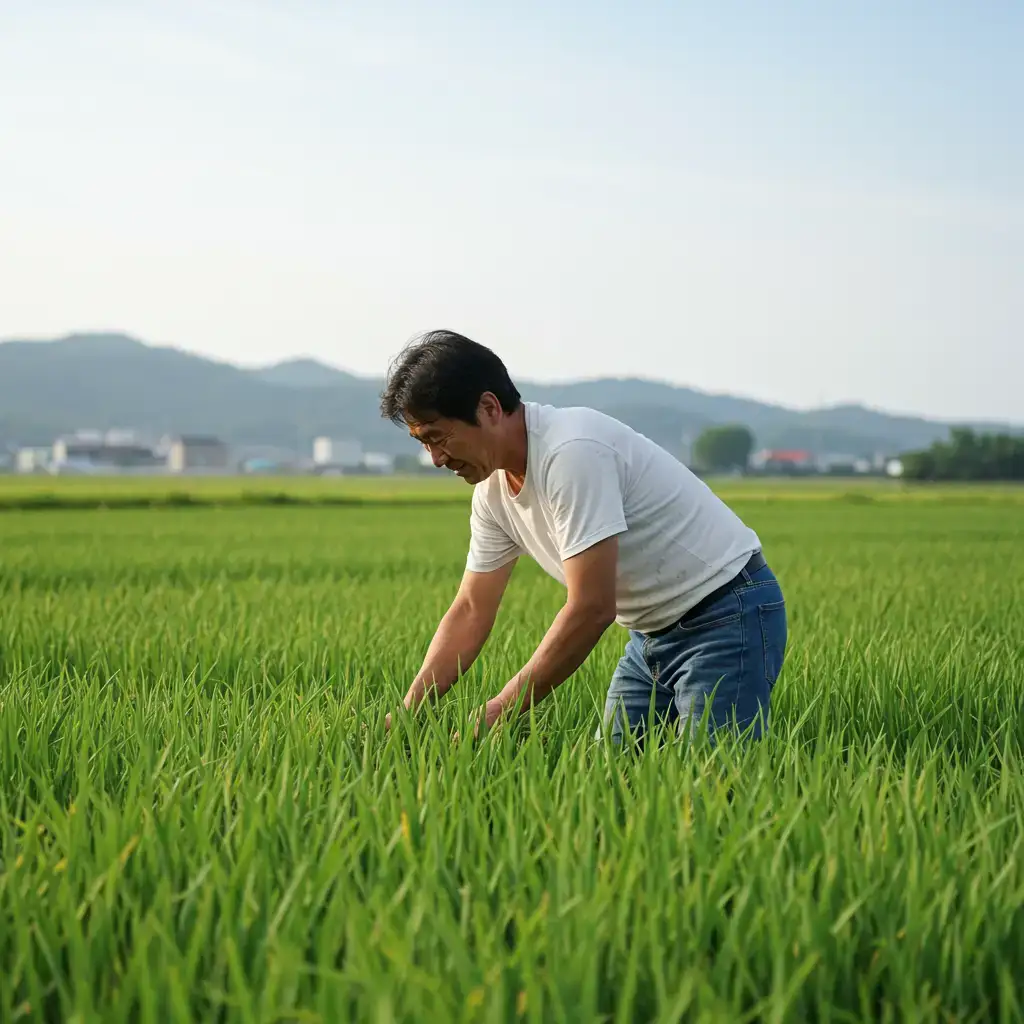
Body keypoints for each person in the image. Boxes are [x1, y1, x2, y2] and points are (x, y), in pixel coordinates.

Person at [379, 329, 788, 745]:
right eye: (423, 443)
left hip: (726, 613)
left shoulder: (572, 452)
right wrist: (409, 714)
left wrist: (498, 711)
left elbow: (591, 608)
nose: (435, 459)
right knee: (612, 780)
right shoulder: (492, 492)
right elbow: (470, 609)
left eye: (437, 437)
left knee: (712, 785)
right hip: (651, 636)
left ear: (488, 408)